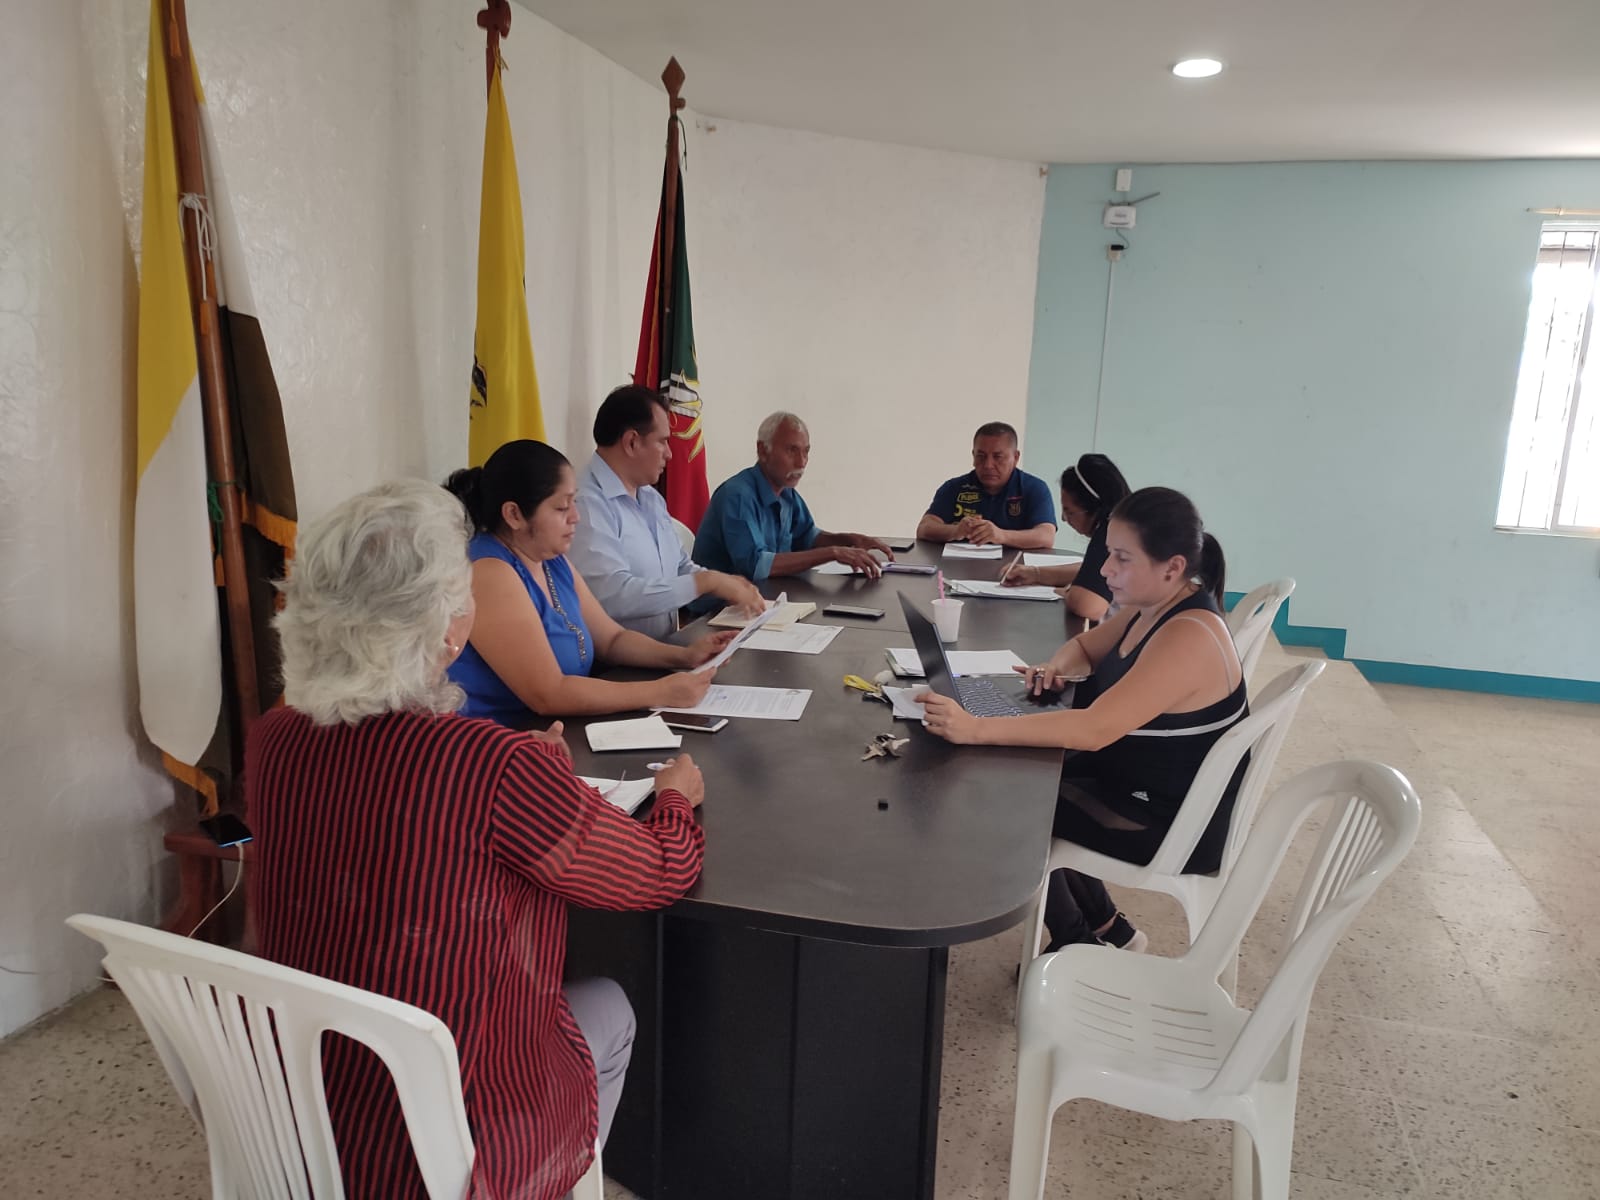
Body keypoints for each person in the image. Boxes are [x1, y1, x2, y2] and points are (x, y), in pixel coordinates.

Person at [247, 478, 707, 1200]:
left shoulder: (274, 738)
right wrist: (675, 798)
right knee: (611, 1011)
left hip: (299, 1101)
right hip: (454, 1131)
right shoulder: (493, 767)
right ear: (448, 629)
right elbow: (658, 873)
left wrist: (535, 778)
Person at [918, 487, 1248, 953]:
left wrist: (975, 727)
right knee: (1019, 777)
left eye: (1121, 558)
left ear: (1172, 567)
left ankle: (1076, 940)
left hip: (1173, 821)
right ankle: (1111, 930)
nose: (1105, 569)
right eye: (1108, 553)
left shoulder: (1188, 635)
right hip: (1139, 782)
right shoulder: (1155, 607)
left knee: (1010, 800)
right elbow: (1085, 647)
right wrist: (1055, 667)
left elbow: (1093, 730)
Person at [446, 440, 731, 724]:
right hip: (501, 739)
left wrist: (684, 656)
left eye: (574, 502)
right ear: (514, 515)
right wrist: (660, 692)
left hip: (557, 729)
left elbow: (612, 640)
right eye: (561, 507)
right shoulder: (489, 572)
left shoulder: (550, 560)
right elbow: (549, 694)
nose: (576, 517)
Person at [567, 385, 765, 637]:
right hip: (613, 659)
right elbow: (612, 596)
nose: (670, 454)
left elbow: (679, 567)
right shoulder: (586, 504)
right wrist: (706, 583)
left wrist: (726, 584)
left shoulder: (649, 496)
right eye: (662, 441)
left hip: (665, 648)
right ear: (631, 442)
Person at [693, 411, 894, 582]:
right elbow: (756, 566)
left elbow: (808, 537)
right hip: (718, 608)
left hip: (766, 598)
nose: (802, 462)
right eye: (792, 450)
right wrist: (833, 552)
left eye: (806, 451)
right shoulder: (737, 496)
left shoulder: (786, 493)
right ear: (763, 451)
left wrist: (851, 540)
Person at [1001, 453, 1131, 623]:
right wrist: (1035, 574)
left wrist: (1069, 593)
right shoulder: (1125, 520)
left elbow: (1087, 606)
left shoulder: (1110, 532)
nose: (1063, 518)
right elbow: (1093, 571)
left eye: (1069, 511)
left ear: (1095, 508)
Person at [915, 422, 1057, 550]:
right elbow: (924, 528)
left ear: (1015, 457)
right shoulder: (954, 487)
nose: (988, 465)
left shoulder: (1034, 488)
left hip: (1015, 568)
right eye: (981, 456)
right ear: (973, 456)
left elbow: (1046, 536)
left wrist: (1001, 535)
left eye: (998, 457)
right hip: (960, 566)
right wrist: (955, 531)